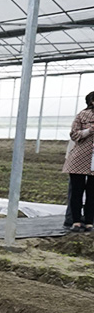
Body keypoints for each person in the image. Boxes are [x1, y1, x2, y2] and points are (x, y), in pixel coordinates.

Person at [64, 91, 94, 232]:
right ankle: (75, 221)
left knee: (92, 192)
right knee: (77, 191)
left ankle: (89, 221)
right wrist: (89, 131)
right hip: (79, 157)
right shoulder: (82, 115)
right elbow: (74, 135)